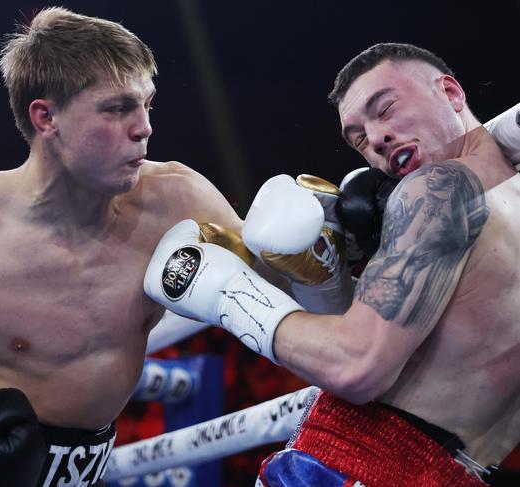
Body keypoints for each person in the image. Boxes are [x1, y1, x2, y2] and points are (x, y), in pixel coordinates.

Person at [0, 7, 246, 487]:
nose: (144, 127)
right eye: (117, 109)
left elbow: (278, 289)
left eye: (146, 105)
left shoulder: (178, 200)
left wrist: (320, 245)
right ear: (46, 117)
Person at [144, 43, 520, 485]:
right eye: (358, 138)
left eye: (387, 108)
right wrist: (325, 282)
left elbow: (356, 367)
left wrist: (225, 294)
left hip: (354, 461)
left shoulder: (436, 190)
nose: (377, 138)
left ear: (452, 93)